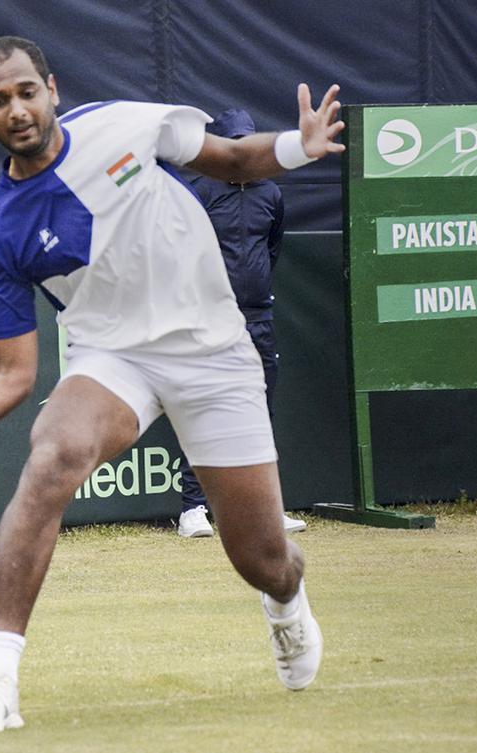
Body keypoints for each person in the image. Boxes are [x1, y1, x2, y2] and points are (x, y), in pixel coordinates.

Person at [0, 36, 342, 734]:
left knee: (262, 558)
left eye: (27, 92)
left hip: (215, 351)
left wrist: (299, 148)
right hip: (113, 357)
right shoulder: (1, 236)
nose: (18, 110)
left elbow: (233, 161)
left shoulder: (124, 124)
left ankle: (286, 602)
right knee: (52, 455)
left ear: (52, 89)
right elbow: (13, 374)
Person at [176, 108, 307, 538]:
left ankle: (265, 511)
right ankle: (193, 509)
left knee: (259, 410)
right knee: (203, 409)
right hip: (209, 318)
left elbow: (272, 249)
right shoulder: (200, 192)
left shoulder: (272, 195)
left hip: (258, 316)